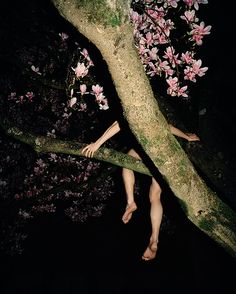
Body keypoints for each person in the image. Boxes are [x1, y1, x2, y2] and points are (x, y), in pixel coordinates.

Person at [82, 120, 200, 261]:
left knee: (127, 163)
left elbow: (118, 124)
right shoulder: (147, 114)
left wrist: (97, 144)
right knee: (155, 196)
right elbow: (167, 126)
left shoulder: (138, 111)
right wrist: (186, 136)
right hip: (165, 155)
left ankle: (131, 203)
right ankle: (154, 238)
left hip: (153, 150)